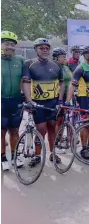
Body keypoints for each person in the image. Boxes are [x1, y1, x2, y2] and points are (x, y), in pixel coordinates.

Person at [22, 38, 65, 166]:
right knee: (41, 129)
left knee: (52, 128)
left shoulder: (56, 65)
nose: (45, 50)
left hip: (53, 102)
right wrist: (29, 100)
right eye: (41, 48)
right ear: (36, 49)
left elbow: (62, 83)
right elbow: (26, 83)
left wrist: (60, 100)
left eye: (47, 48)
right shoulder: (29, 64)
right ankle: (37, 155)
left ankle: (53, 153)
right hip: (38, 103)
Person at [65, 45, 89, 160]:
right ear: (86, 55)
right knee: (85, 124)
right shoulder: (80, 69)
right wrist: (67, 101)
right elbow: (72, 85)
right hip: (84, 99)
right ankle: (84, 148)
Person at [1, 31, 24, 170]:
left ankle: (15, 155)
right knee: (1, 131)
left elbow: (26, 80)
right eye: (6, 43)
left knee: (14, 130)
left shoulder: (20, 60)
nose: (9, 47)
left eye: (12, 44)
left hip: (15, 100)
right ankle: (3, 156)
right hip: (1, 100)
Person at [52, 47, 72, 154]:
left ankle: (59, 140)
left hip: (66, 97)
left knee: (63, 120)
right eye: (62, 57)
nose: (65, 58)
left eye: (65, 56)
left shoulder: (66, 67)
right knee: (57, 121)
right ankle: (55, 144)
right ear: (56, 58)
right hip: (56, 97)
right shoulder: (54, 68)